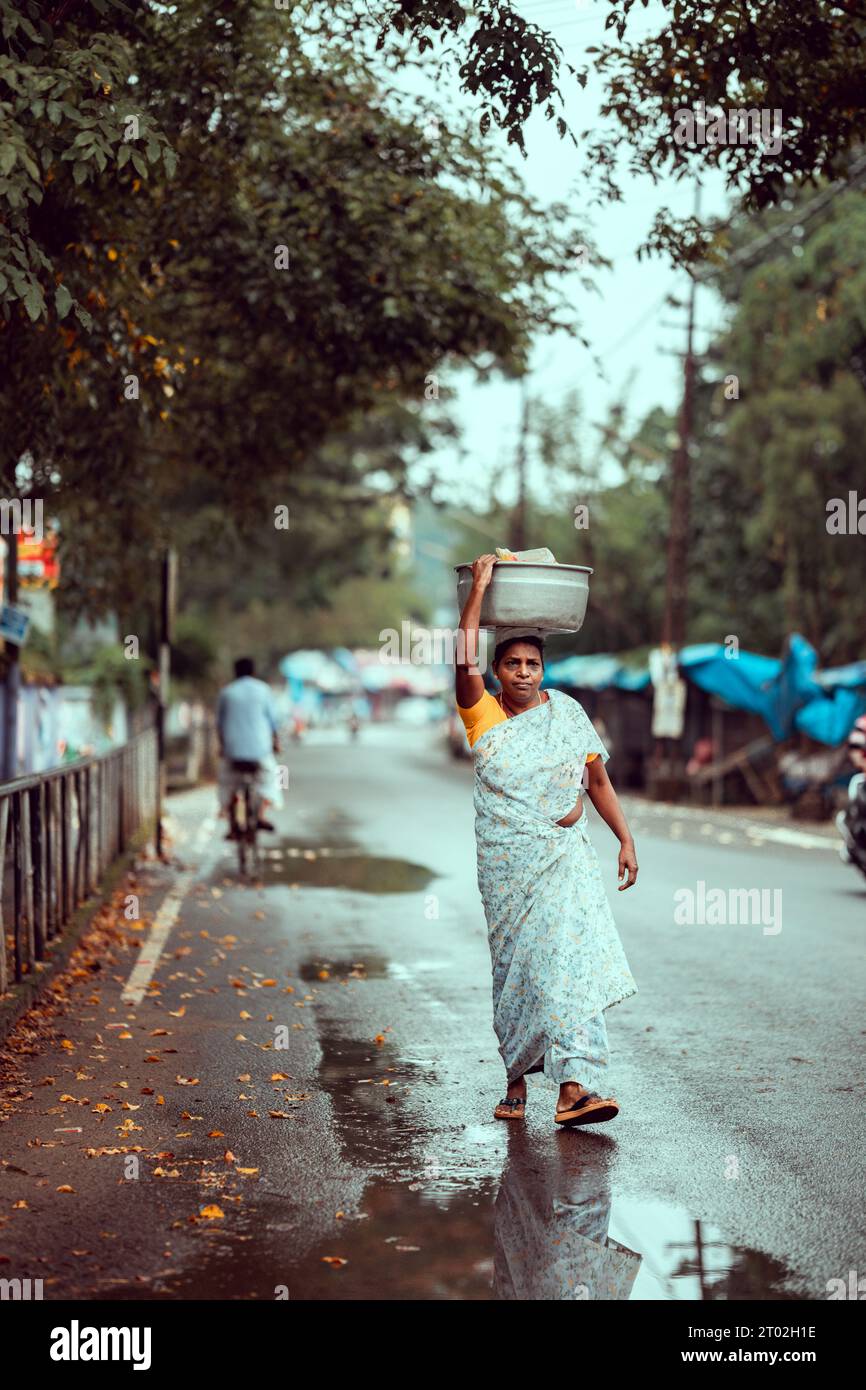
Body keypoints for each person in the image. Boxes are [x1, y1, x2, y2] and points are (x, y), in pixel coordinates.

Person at [455, 554, 639, 1128]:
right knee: (517, 970)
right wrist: (481, 588)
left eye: (533, 662)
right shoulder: (483, 716)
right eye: (511, 663)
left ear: (544, 668)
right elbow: (463, 658)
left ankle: (573, 1086)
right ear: (498, 670)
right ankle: (515, 1079)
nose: (523, 672)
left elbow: (598, 781)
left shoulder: (568, 715)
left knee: (569, 964)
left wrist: (624, 840)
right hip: (510, 870)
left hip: (564, 864)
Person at [216, 657, 281, 839]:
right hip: (260, 751)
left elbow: (219, 725)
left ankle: (232, 825)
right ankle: (260, 815)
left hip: (232, 751)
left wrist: (222, 747)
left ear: (235, 672)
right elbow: (274, 722)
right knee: (270, 779)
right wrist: (276, 743)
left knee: (227, 785)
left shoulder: (227, 692)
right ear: (253, 672)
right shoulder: (264, 690)